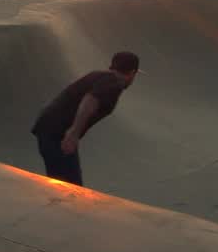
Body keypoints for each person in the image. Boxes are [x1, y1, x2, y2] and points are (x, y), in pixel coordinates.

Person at [30, 51, 141, 186]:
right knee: (70, 186)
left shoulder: (98, 75)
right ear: (132, 72)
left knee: (64, 183)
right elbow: (90, 99)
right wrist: (73, 133)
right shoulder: (114, 83)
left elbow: (71, 95)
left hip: (51, 129)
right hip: (57, 134)